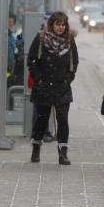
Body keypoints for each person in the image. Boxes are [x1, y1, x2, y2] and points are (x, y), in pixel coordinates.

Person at [28, 11, 79, 165]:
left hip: (62, 87)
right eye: (57, 24)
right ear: (52, 24)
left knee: (63, 120)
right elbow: (32, 60)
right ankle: (36, 148)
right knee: (41, 120)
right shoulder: (42, 38)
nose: (60, 27)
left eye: (63, 24)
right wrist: (39, 79)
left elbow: (74, 62)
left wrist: (68, 79)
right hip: (43, 86)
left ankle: (63, 153)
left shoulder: (69, 40)